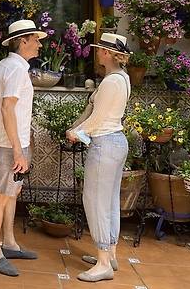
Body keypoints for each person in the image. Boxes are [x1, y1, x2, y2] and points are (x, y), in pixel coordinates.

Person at [66, 32, 132, 283]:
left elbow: (97, 119)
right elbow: (98, 114)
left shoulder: (111, 82)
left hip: (105, 144)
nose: (97, 53)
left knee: (94, 200)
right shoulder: (121, 78)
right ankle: (110, 254)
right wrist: (78, 129)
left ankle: (104, 262)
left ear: (107, 53)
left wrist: (76, 133)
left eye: (99, 50)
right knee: (109, 200)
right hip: (115, 142)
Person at [0, 20, 47, 277]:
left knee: (11, 194)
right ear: (23, 41)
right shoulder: (17, 70)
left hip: (12, 143)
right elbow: (6, 107)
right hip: (11, 148)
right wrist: (17, 150)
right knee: (1, 197)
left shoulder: (6, 65)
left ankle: (9, 244)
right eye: (36, 39)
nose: (40, 44)